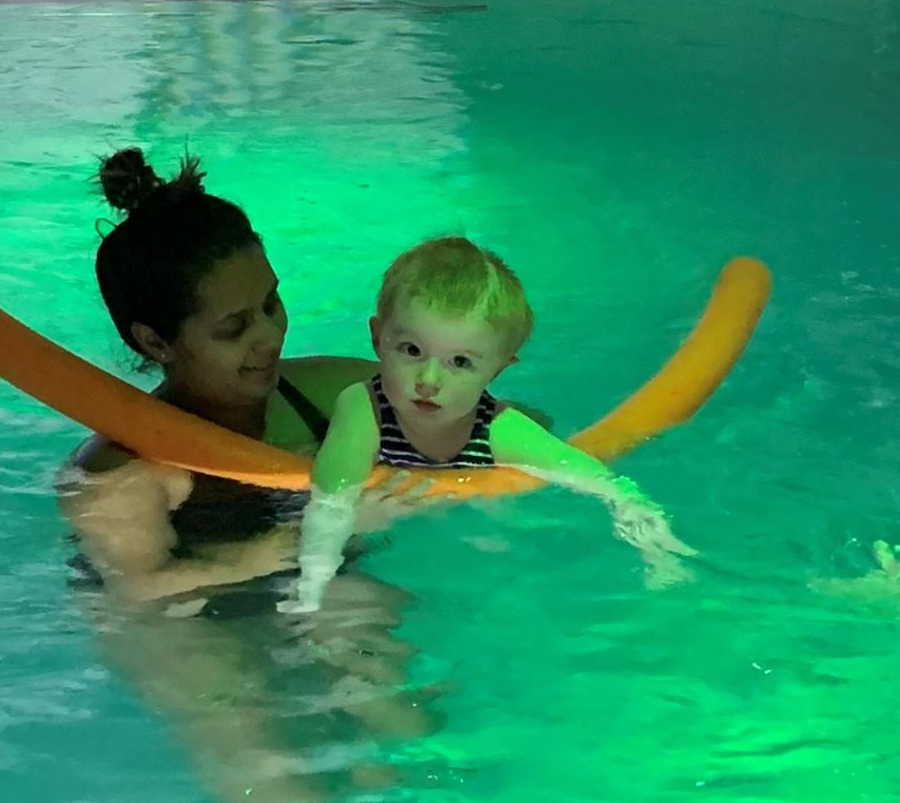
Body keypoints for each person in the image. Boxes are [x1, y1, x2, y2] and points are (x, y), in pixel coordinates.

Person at [56, 147, 443, 803]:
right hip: (177, 616)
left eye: (271, 303)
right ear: (154, 341)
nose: (269, 336)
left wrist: (419, 473)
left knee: (405, 741)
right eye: (233, 328)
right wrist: (311, 532)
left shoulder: (325, 395)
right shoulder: (121, 474)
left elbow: (493, 425)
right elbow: (140, 589)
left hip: (306, 575)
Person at [280, 237, 697, 614]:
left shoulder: (497, 428)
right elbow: (331, 501)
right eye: (411, 350)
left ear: (498, 369)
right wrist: (313, 586)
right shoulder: (363, 409)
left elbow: (594, 478)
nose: (428, 380)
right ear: (377, 338)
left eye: (459, 362)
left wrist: (649, 534)